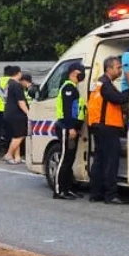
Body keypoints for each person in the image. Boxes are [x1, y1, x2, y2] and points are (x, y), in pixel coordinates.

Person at [88, 56, 129, 204]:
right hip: (107, 127)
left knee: (99, 160)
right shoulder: (106, 85)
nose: (120, 70)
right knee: (110, 161)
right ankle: (111, 195)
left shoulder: (99, 83)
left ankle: (96, 193)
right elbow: (118, 99)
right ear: (109, 69)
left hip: (99, 126)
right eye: (118, 67)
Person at [53, 62, 87, 200]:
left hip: (72, 129)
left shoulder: (73, 88)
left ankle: (67, 188)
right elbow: (67, 110)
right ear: (74, 72)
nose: (83, 74)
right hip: (66, 128)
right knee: (64, 159)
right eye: (81, 72)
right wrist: (71, 128)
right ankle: (59, 190)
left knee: (70, 159)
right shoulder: (68, 88)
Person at [2, 67, 29, 164]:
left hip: (8, 112)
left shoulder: (8, 84)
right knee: (21, 135)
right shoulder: (16, 85)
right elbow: (21, 102)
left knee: (15, 135)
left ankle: (17, 157)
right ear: (18, 73)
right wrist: (28, 113)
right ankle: (9, 154)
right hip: (16, 114)